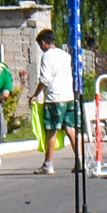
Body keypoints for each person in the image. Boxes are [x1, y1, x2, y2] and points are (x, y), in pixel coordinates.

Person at [29, 28, 79, 173]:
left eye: (40, 45)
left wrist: (35, 94)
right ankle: (80, 160)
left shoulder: (47, 56)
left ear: (43, 43)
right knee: (71, 129)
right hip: (69, 96)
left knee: (51, 130)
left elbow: (44, 79)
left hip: (54, 98)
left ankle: (48, 164)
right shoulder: (65, 55)